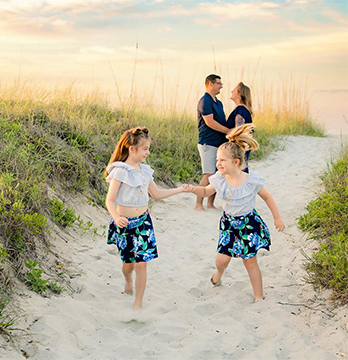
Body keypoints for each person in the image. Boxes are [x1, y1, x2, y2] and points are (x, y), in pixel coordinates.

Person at [188, 124, 285, 302]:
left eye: (221, 161)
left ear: (236, 162)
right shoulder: (219, 180)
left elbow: (267, 197)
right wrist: (193, 188)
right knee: (221, 261)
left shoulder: (250, 181)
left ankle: (258, 296)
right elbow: (205, 192)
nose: (218, 164)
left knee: (250, 261)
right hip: (229, 225)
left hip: (249, 224)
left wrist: (277, 218)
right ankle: (218, 273)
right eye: (217, 160)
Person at [105, 127, 190, 310]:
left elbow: (157, 194)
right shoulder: (120, 171)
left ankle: (138, 303)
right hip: (125, 224)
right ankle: (128, 280)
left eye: (148, 148)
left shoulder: (145, 171)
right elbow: (110, 201)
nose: (148, 152)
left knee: (141, 263)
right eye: (145, 148)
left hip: (143, 223)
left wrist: (180, 189)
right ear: (132, 148)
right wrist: (116, 217)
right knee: (128, 265)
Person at [196, 74, 230, 211]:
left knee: (217, 176)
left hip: (219, 144)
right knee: (208, 175)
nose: (221, 86)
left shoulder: (219, 103)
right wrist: (228, 130)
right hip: (207, 144)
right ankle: (198, 204)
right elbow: (210, 122)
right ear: (210, 83)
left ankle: (210, 204)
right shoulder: (205, 101)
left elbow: (221, 121)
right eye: (218, 83)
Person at [227, 82, 253, 173]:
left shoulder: (240, 110)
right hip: (243, 146)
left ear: (239, 93)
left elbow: (239, 131)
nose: (231, 91)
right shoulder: (243, 109)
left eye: (234, 90)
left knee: (240, 172)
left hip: (240, 147)